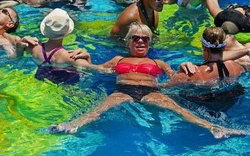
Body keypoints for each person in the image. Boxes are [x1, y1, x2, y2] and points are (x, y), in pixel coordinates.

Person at [49, 23, 246, 138]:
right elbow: (98, 70)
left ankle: (214, 128)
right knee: (99, 109)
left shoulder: (158, 62)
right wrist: (86, 56)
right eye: (136, 38)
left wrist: (185, 64)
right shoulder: (118, 60)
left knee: (180, 110)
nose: (141, 41)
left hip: (152, 92)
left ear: (150, 42)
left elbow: (174, 79)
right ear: (128, 41)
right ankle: (73, 125)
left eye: (145, 38)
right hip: (123, 90)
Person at [19, 8, 91, 84]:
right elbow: (96, 70)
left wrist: (20, 43)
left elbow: (16, 56)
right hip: (65, 87)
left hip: (40, 81)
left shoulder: (33, 47)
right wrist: (88, 58)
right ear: (67, 32)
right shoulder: (69, 56)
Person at [165, 27, 248, 87]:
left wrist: (178, 70)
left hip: (202, 105)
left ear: (203, 47)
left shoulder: (193, 73)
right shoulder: (237, 67)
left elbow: (164, 87)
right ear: (224, 47)